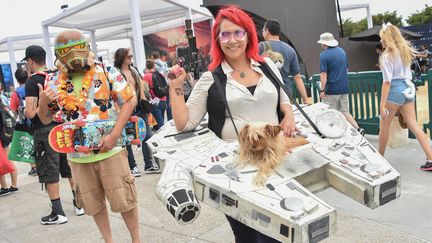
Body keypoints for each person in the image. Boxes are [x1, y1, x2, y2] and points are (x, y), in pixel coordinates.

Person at [168, 5, 296, 243]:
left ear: (249, 35)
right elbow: (185, 124)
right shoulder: (211, 78)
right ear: (218, 40)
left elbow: (284, 99)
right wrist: (176, 86)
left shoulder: (267, 67)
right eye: (225, 34)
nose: (232, 40)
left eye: (238, 32)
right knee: (248, 236)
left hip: (276, 164)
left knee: (276, 235)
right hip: (235, 172)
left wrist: (288, 115)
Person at [37, 30, 141, 242]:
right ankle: (109, 241)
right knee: (93, 204)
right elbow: (46, 119)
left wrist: (114, 135)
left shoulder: (105, 70)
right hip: (78, 157)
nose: (73, 56)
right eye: (66, 51)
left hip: (111, 150)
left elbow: (129, 100)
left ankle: (137, 240)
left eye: (77, 48)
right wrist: (42, 103)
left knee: (125, 200)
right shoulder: (53, 80)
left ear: (85, 48)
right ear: (58, 54)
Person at [23, 45, 84, 224]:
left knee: (49, 170)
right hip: (64, 127)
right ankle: (79, 204)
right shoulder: (58, 76)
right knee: (68, 167)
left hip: (44, 130)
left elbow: (30, 113)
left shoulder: (33, 82)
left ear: (30, 61)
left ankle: (58, 212)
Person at [377, 23, 432, 171]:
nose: (381, 41)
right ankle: (431, 157)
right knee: (414, 125)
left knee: (384, 127)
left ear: (387, 38)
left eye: (382, 38)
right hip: (408, 88)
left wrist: (382, 105)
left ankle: (379, 160)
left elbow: (387, 83)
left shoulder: (386, 56)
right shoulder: (404, 51)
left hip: (394, 90)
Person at [113, 48, 158, 175]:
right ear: (122, 57)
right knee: (127, 139)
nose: (131, 59)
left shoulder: (134, 70)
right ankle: (132, 167)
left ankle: (148, 164)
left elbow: (141, 88)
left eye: (131, 57)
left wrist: (145, 105)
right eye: (129, 57)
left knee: (146, 135)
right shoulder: (115, 72)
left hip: (139, 107)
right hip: (124, 109)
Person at [317, 32, 364, 135]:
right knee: (344, 111)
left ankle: (334, 133)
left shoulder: (323, 55)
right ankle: (358, 129)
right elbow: (346, 69)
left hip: (332, 89)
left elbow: (323, 75)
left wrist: (322, 89)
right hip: (344, 87)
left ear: (324, 43)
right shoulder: (342, 51)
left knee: (330, 113)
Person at [260, 18, 310, 104]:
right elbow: (297, 78)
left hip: (267, 94)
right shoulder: (290, 50)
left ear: (267, 31)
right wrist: (305, 99)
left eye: (263, 30)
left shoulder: (261, 47)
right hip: (286, 94)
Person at [10, 68, 37, 176]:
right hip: (37, 118)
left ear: (17, 79)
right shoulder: (34, 86)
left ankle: (34, 167)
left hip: (25, 122)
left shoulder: (16, 94)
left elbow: (13, 110)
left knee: (27, 143)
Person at [0, 97, 17, 196]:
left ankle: (4, 187)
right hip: (5, 137)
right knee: (9, 161)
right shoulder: (3, 107)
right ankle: (14, 186)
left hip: (1, 139)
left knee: (1, 162)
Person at [144, 58, 167, 131]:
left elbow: (145, 90)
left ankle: (162, 139)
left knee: (160, 124)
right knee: (160, 121)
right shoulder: (160, 74)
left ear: (146, 66)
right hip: (163, 99)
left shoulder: (146, 76)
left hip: (154, 101)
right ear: (154, 66)